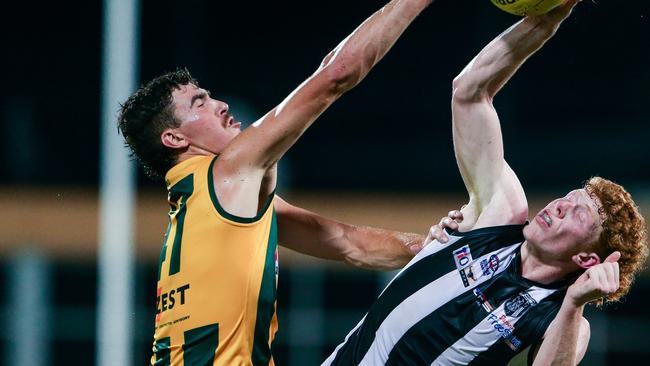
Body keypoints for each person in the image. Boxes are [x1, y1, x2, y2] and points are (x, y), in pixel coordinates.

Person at [323, 1, 648, 365]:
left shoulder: (561, 316)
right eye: (570, 197)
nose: (560, 204)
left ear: (587, 258)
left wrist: (574, 304)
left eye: (579, 213)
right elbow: (469, 92)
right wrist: (548, 19)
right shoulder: (500, 215)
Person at [117, 0, 436, 364]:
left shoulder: (205, 203)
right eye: (200, 103)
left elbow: (349, 243)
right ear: (174, 139)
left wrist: (435, 247)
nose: (220, 104)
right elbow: (336, 76)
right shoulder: (225, 177)